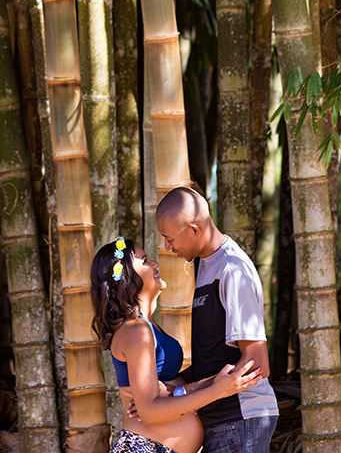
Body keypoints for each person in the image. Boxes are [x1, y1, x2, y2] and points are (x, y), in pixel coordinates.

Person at [91, 236, 263, 453]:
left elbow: (166, 390)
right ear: (126, 277)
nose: (154, 264)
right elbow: (150, 412)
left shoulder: (146, 328)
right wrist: (217, 390)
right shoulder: (136, 331)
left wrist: (201, 384)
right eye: (145, 261)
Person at [155, 187, 279, 453]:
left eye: (169, 238)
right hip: (221, 416)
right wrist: (170, 387)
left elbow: (257, 365)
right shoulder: (206, 265)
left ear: (194, 230)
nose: (167, 246)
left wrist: (185, 393)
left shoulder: (231, 269)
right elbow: (215, 356)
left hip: (241, 416)